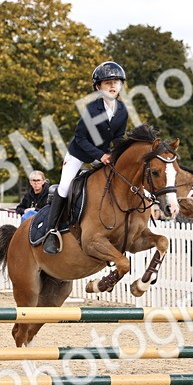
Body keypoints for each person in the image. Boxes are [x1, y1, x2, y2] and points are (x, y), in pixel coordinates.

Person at [43, 61, 129, 254]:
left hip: (103, 154)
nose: (113, 86)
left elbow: (118, 138)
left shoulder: (122, 110)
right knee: (65, 187)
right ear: (98, 87)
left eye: (116, 82)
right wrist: (100, 156)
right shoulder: (91, 110)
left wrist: (117, 154)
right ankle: (51, 231)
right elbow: (80, 139)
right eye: (108, 83)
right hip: (79, 153)